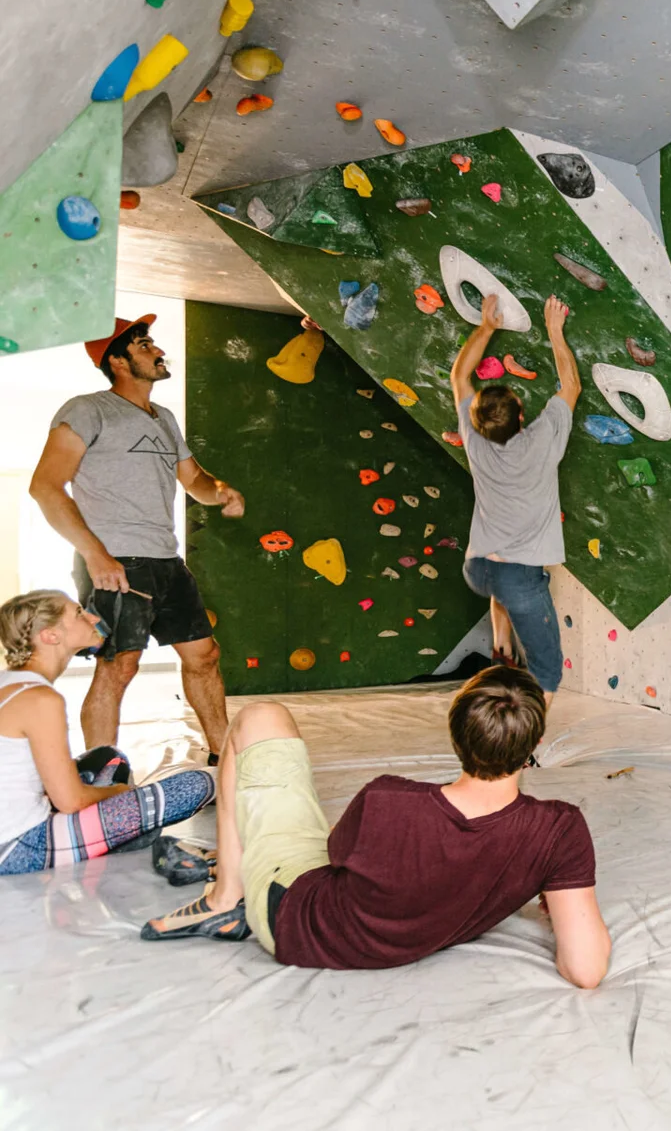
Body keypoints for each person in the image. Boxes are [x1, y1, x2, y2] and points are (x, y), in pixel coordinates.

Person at [143, 665, 612, 988]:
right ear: (537, 741)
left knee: (258, 718)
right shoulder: (559, 831)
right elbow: (586, 970)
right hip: (351, 932)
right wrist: (551, 888)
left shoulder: (388, 801)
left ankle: (225, 898)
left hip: (292, 921)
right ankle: (229, 871)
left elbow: (332, 858)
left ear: (455, 732)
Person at [28, 314, 245, 755]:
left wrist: (220, 491)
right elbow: (45, 487)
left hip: (166, 560)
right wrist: (95, 555)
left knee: (204, 657)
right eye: (145, 345)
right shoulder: (87, 410)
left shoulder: (164, 418)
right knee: (120, 665)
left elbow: (195, 480)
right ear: (118, 361)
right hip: (117, 562)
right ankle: (102, 767)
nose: (158, 351)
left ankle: (225, 757)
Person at [0, 590, 214, 875]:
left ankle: (113, 833)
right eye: (78, 613)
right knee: (199, 785)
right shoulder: (41, 699)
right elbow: (70, 801)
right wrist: (121, 793)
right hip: (18, 847)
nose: (91, 618)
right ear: (51, 636)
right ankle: (114, 832)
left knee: (108, 758)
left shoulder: (9, 683)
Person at [451, 294, 581, 705]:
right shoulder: (542, 441)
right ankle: (529, 733)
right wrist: (555, 331)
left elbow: (459, 377)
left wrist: (486, 327)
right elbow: (571, 386)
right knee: (547, 670)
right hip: (518, 577)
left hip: (478, 569)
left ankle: (502, 646)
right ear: (522, 418)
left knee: (501, 586)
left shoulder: (474, 439)